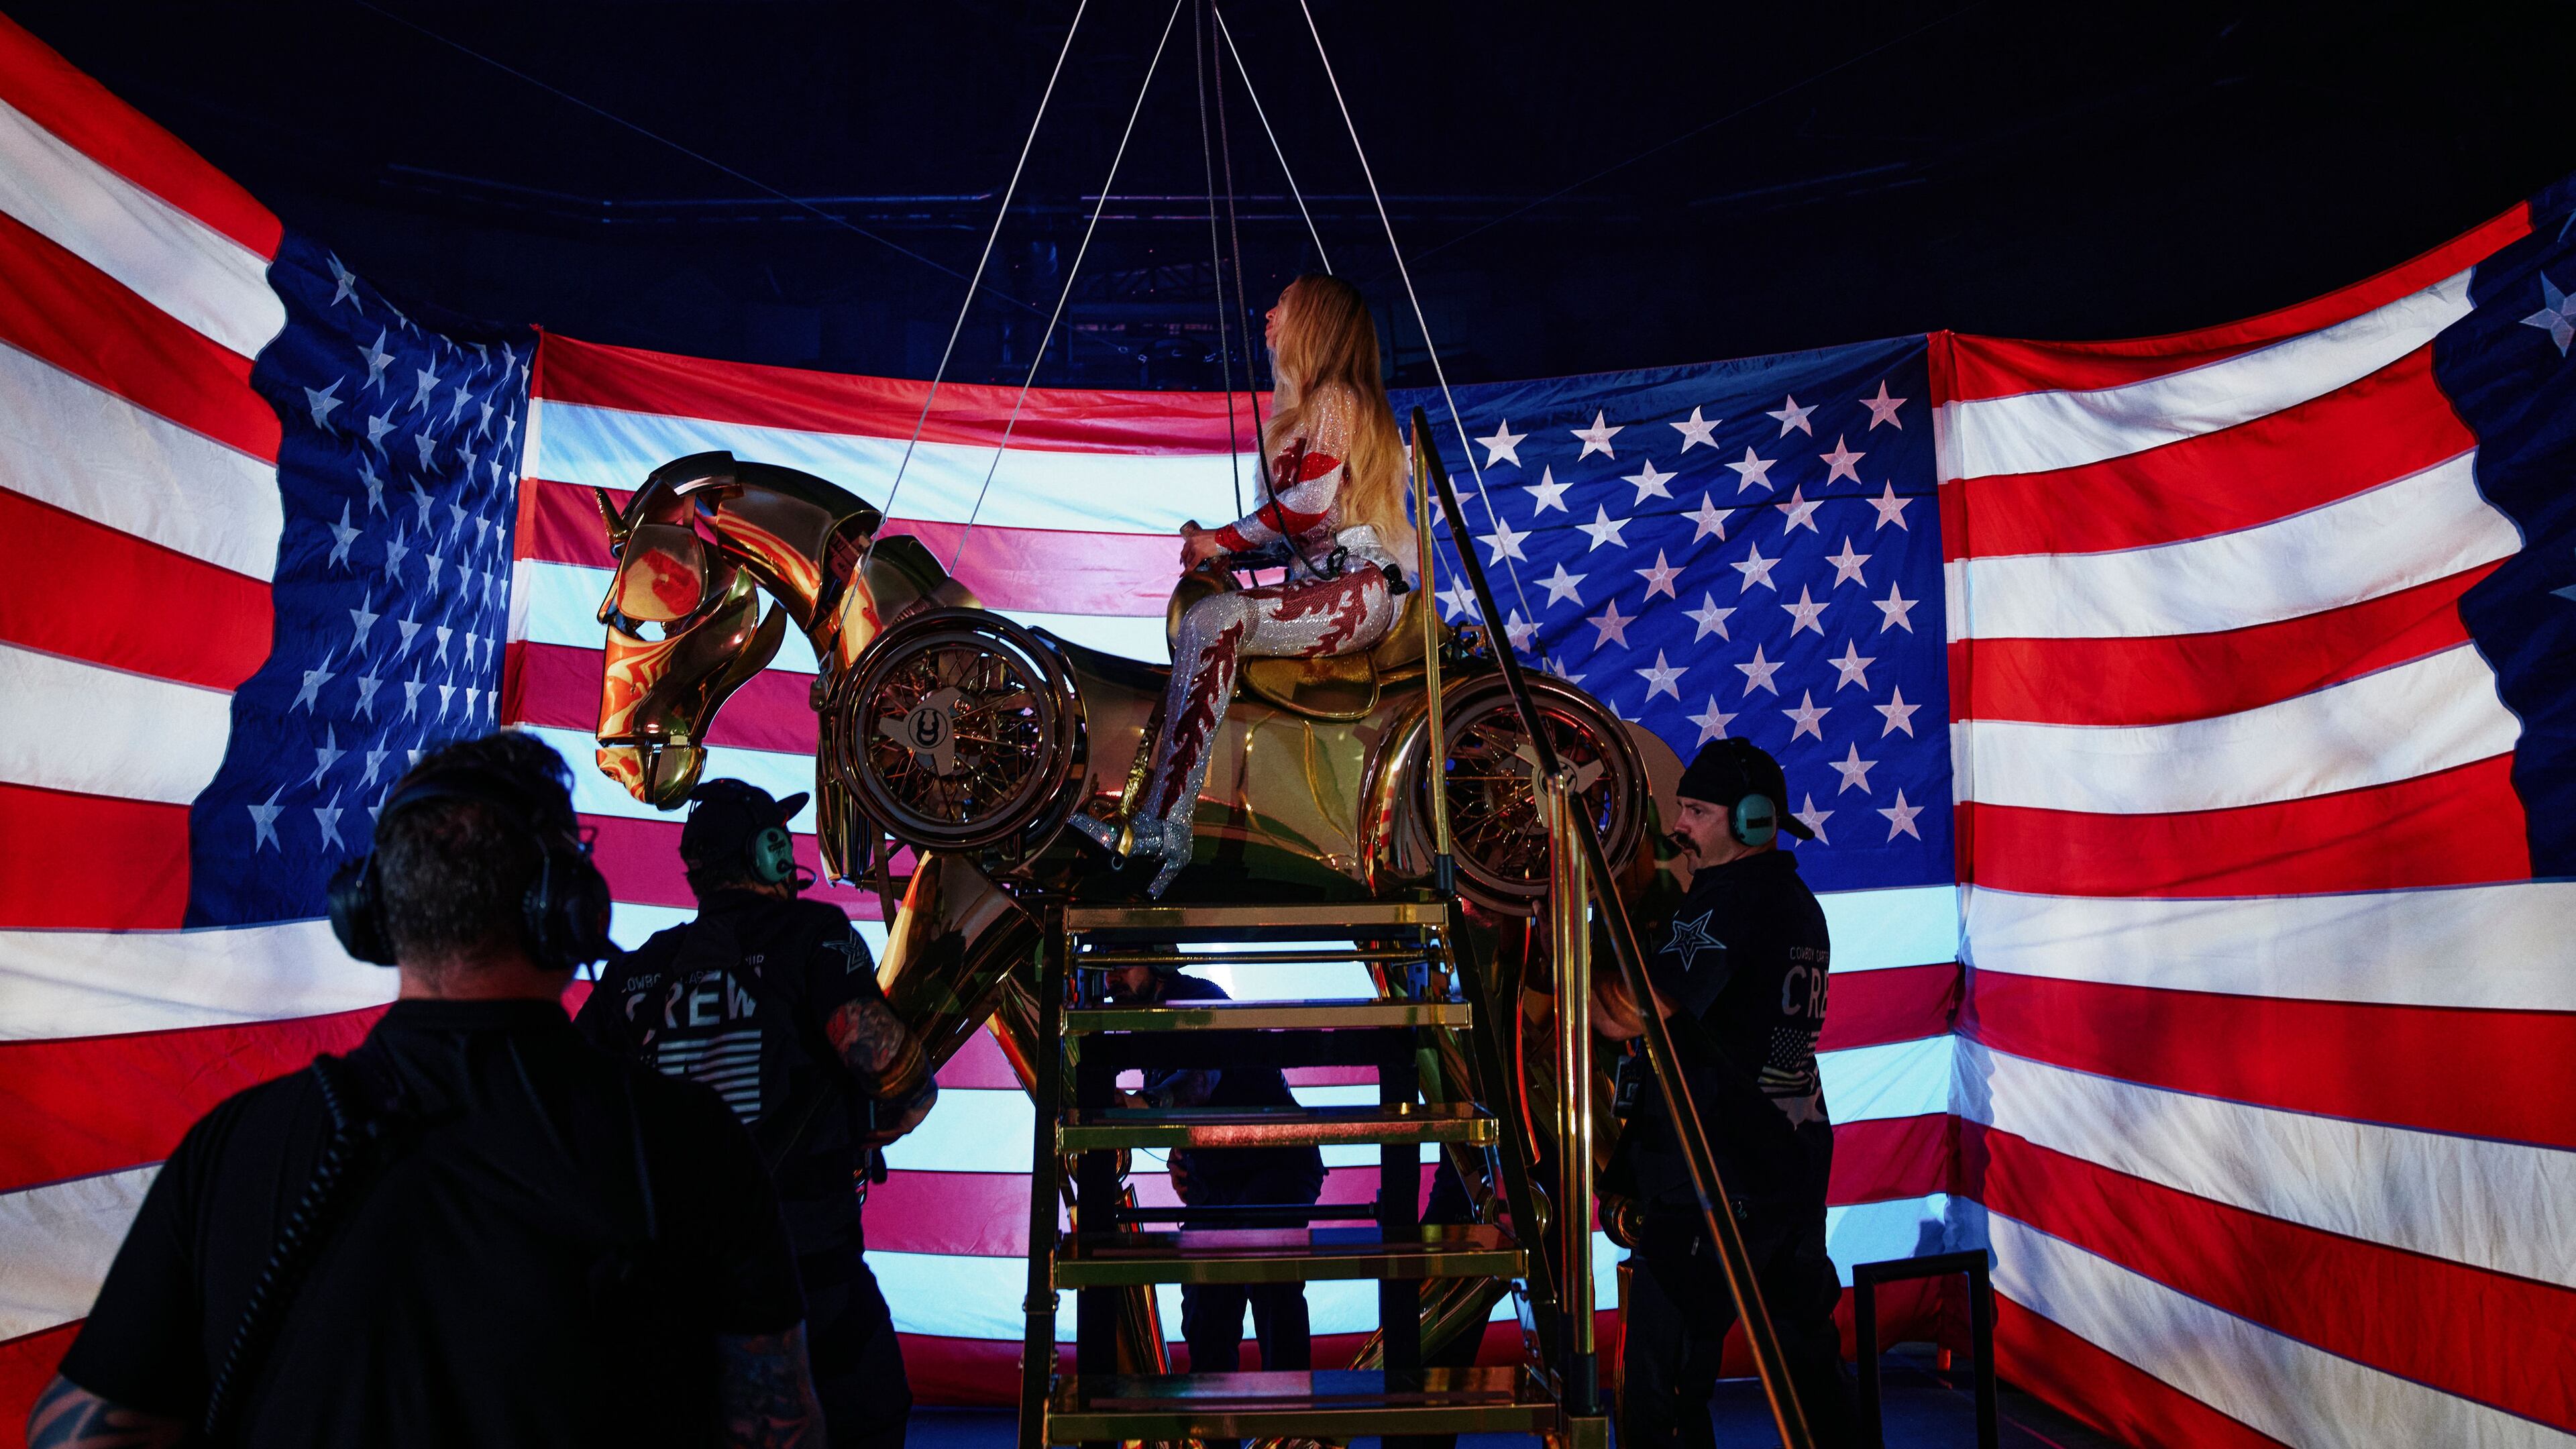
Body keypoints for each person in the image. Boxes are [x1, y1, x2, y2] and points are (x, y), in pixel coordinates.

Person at [28, 731, 822, 1449]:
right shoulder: (690, 1143)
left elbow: (78, 1435)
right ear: (567, 908)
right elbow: (778, 1429)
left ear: (374, 914)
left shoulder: (235, 1145)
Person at [578, 779, 935, 1449]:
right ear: (768, 852)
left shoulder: (636, 972)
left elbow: (575, 1115)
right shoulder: (812, 935)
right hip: (809, 1273)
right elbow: (891, 1069)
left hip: (673, 1293)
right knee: (867, 1418)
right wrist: (879, 1116)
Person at [1071, 272, 1415, 896]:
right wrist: (1229, 554)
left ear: (1314, 319)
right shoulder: (1314, 408)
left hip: (1361, 585)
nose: (1267, 314)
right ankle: (1155, 815)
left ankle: (1164, 826)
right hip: (1333, 578)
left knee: (1213, 619)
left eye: (1282, 304)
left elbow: (1310, 504)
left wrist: (1221, 541)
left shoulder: (1337, 395)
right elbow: (1309, 530)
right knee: (1209, 621)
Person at [1592, 737, 1856, 1449]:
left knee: (1662, 1382)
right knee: (1807, 1365)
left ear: (1752, 821)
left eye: (1697, 811)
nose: (1679, 826)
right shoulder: (1791, 900)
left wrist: (1564, 948)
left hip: (1717, 1177)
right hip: (1785, 1162)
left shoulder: (1734, 902)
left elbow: (1629, 1013)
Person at [1102, 955, 1326, 1378]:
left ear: (1157, 963)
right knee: (1206, 1314)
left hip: (1274, 1162)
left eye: (1123, 964)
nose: (1112, 978)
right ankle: (1220, 1414)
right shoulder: (1139, 1016)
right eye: (1106, 968)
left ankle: (1291, 1415)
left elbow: (1201, 1079)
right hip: (1219, 1177)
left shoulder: (1201, 999)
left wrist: (1143, 1105)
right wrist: (1185, 1151)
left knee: (1271, 1292)